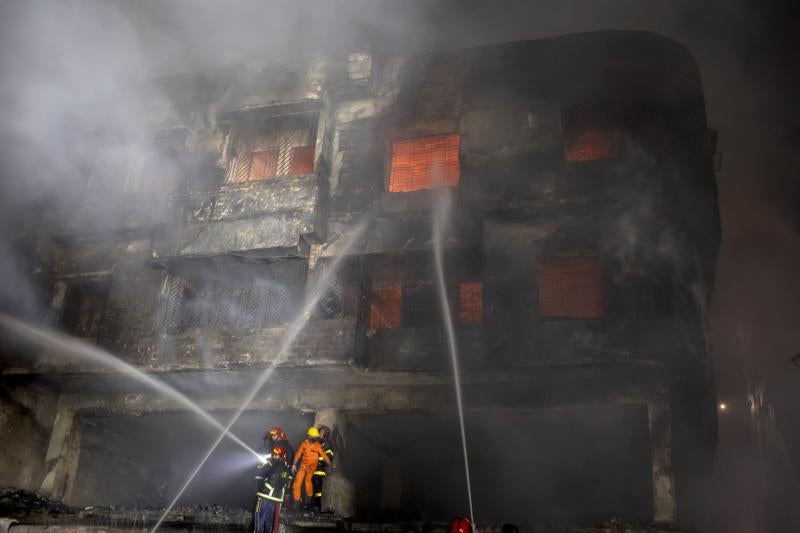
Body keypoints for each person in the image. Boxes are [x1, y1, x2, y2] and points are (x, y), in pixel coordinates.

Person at [292, 426, 331, 508]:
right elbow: (298, 454)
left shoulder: (318, 446)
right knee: (297, 482)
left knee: (307, 480)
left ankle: (308, 500)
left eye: (316, 437)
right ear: (310, 436)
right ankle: (296, 501)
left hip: (312, 467)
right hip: (303, 466)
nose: (316, 438)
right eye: (314, 437)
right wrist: (294, 465)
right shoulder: (304, 443)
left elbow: (324, 456)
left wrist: (330, 464)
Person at [254, 445, 290, 533]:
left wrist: (264, 489)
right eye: (273, 455)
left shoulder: (277, 465)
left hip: (266, 495)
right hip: (275, 498)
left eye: (276, 455)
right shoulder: (285, 467)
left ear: (281, 456)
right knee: (269, 520)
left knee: (259, 518)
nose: (274, 457)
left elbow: (273, 478)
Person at [311, 425, 336, 509]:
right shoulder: (320, 442)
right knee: (314, 488)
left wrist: (319, 460)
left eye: (321, 432)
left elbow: (329, 457)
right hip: (315, 469)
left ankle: (318, 505)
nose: (319, 434)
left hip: (320, 470)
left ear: (325, 434)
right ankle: (315, 505)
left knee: (318, 489)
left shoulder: (327, 444)